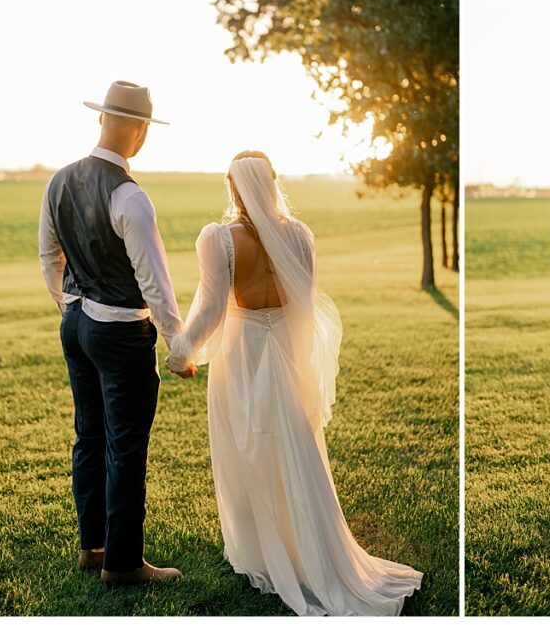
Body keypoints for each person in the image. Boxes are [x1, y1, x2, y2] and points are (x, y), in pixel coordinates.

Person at [165, 151, 423, 616]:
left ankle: (259, 553)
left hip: (242, 354)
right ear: (272, 181)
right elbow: (304, 305)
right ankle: (302, 545)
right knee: (295, 449)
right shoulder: (300, 236)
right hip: (285, 352)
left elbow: (210, 312)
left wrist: (182, 352)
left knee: (247, 449)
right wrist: (300, 363)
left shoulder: (219, 239)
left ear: (232, 185)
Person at [38, 80, 194, 586]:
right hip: (121, 333)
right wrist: (179, 346)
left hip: (75, 324)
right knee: (125, 447)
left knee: (88, 435)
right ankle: (122, 563)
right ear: (141, 132)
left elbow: (49, 257)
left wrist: (69, 303)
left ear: (102, 120)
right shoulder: (131, 196)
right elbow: (154, 282)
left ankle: (93, 546)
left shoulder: (58, 181)